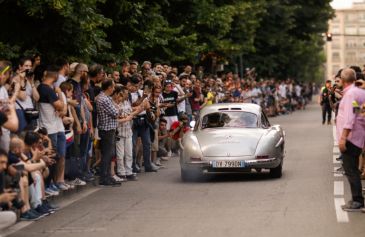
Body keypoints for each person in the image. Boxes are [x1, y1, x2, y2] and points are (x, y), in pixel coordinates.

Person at [336, 68, 365, 212]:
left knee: (351, 170)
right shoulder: (358, 92)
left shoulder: (350, 95)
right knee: (353, 169)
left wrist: (343, 138)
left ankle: (357, 201)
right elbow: (358, 113)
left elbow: (349, 119)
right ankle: (357, 199)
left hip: (351, 138)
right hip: (358, 135)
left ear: (342, 80)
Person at [96, 79, 121, 186]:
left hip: (108, 128)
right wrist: (118, 109)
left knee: (109, 154)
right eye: (113, 87)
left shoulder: (105, 98)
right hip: (107, 129)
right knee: (107, 154)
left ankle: (107, 176)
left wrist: (117, 109)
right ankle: (104, 177)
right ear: (109, 87)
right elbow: (116, 112)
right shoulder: (104, 99)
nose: (114, 89)